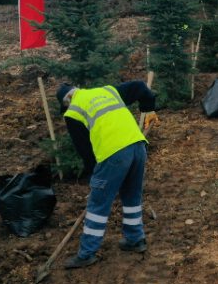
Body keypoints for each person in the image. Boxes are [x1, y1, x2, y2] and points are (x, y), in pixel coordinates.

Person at [56, 81, 159, 269]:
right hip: (138, 146)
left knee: (98, 204)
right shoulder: (107, 91)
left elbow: (85, 150)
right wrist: (149, 108)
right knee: (132, 196)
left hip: (114, 154)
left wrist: (94, 178)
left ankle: (87, 253)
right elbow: (139, 86)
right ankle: (136, 239)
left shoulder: (73, 112)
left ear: (66, 101)